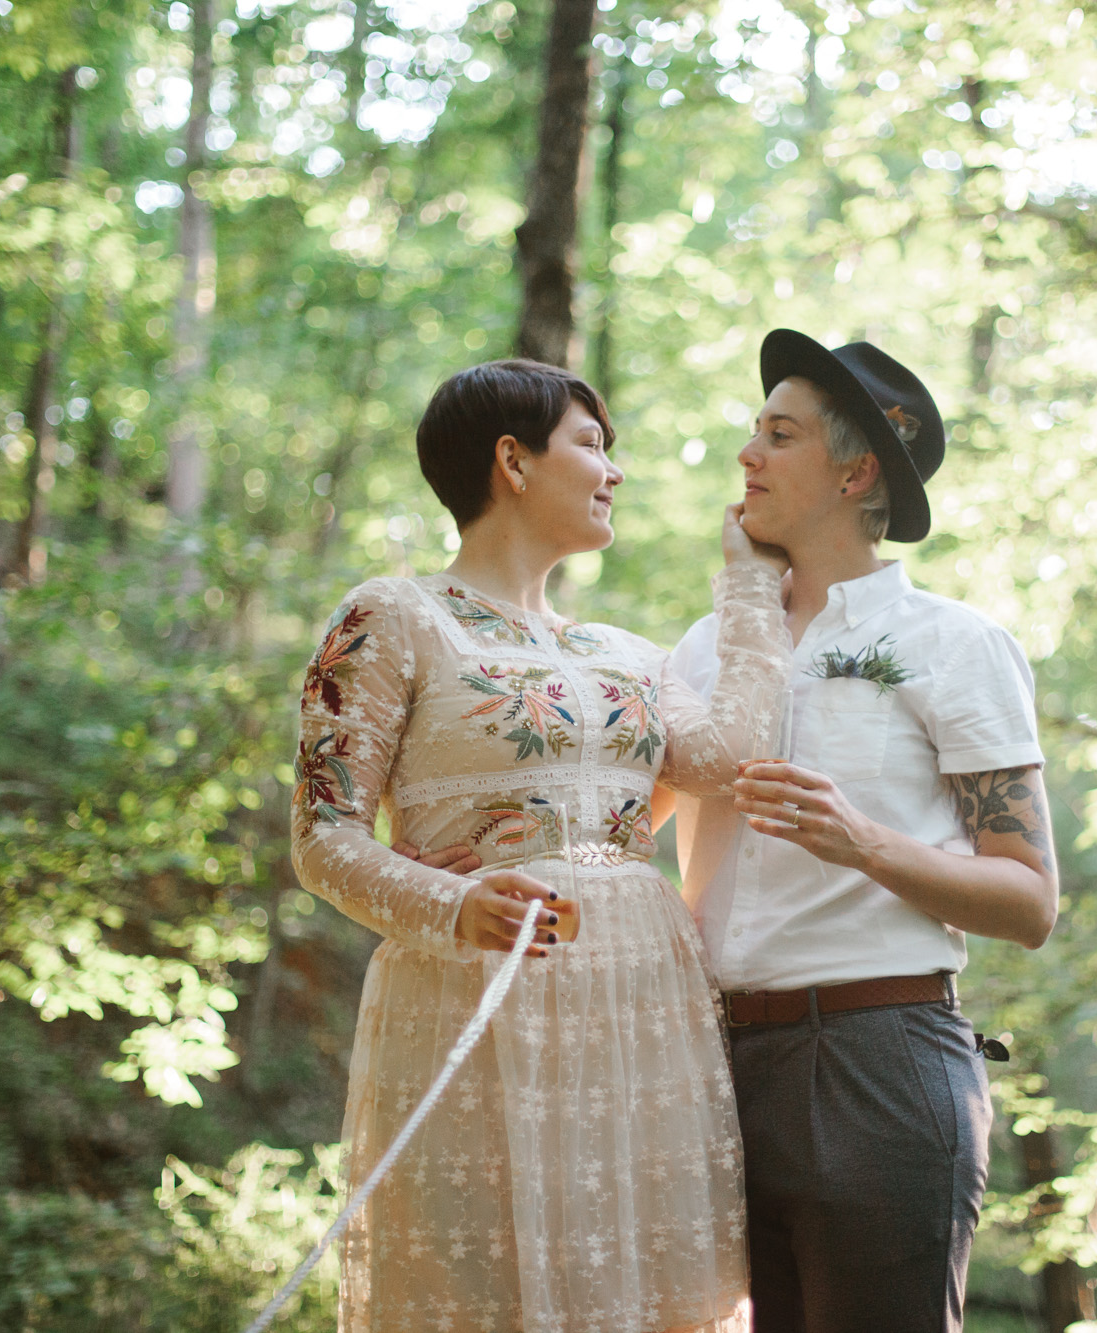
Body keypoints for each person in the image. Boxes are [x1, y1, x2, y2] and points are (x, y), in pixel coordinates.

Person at [290, 358, 793, 1333]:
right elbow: (323, 837)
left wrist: (748, 589)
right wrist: (452, 907)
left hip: (640, 1003)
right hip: (469, 992)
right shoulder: (391, 616)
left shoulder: (625, 653)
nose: (613, 472)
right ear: (511, 460)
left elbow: (731, 756)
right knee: (487, 1289)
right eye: (591, 445)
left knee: (651, 1286)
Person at [666, 330, 1059, 1333]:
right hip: (708, 1068)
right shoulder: (703, 649)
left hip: (878, 1062)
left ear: (854, 472)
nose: (746, 455)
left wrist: (863, 842)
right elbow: (619, 815)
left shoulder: (954, 646)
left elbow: (1027, 901)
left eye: (778, 435)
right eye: (753, 430)